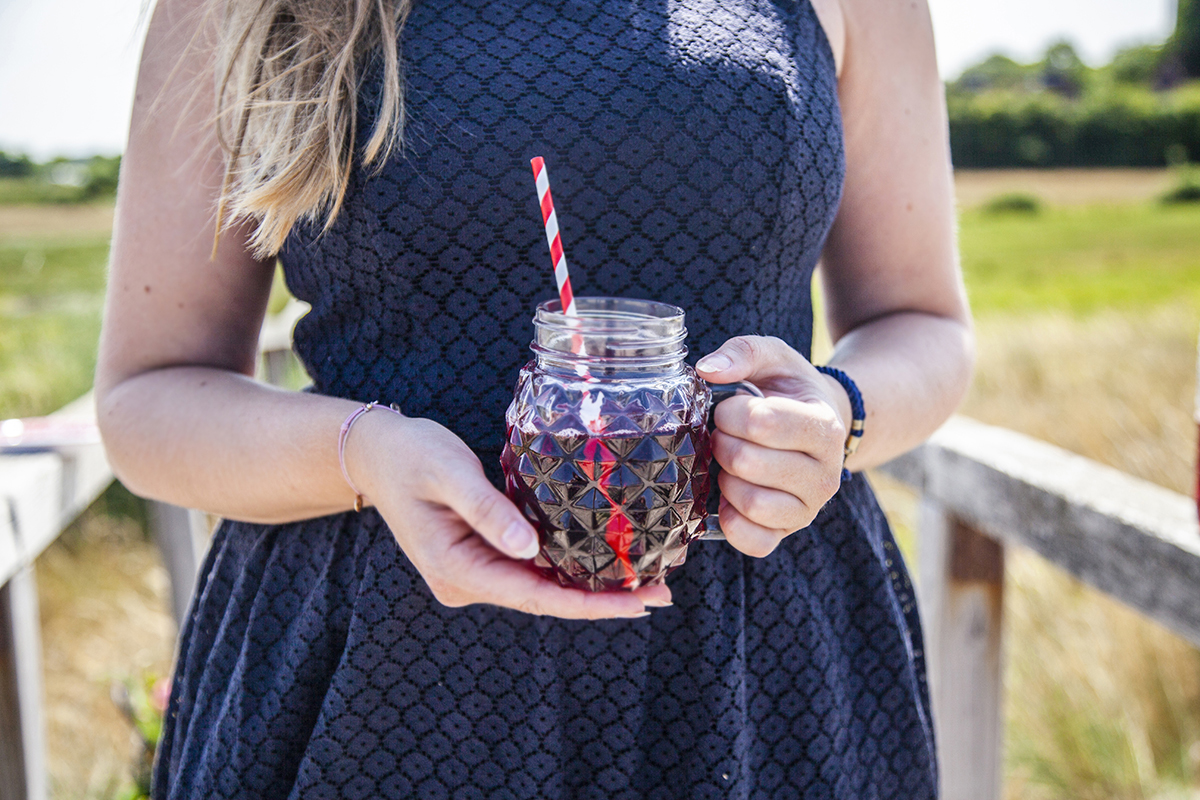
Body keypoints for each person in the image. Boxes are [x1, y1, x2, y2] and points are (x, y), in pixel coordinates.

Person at [96, 0, 973, 794]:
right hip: (384, 660)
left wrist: (837, 412)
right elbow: (148, 398)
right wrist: (360, 449)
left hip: (758, 655)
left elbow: (922, 321)